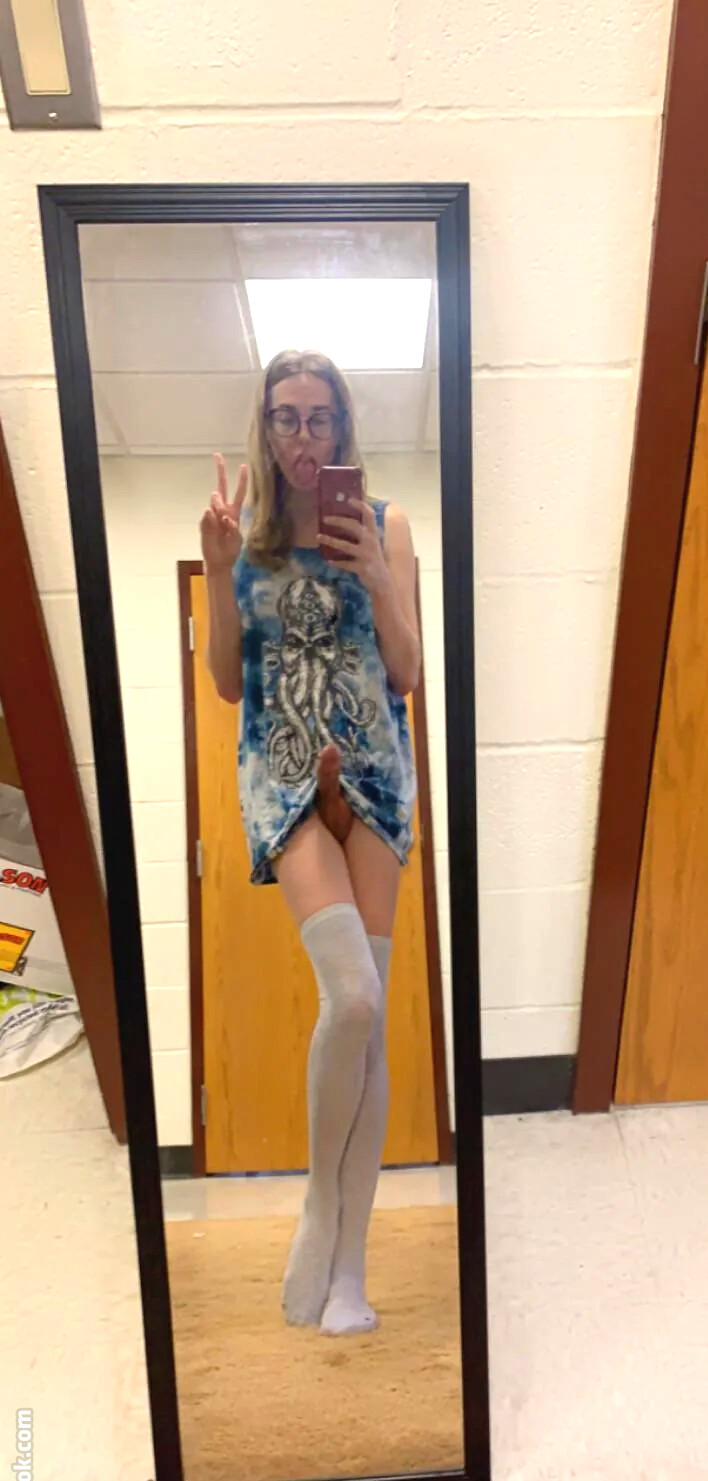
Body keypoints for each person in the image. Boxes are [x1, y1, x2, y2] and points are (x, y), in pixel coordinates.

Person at [199, 349, 421, 1336]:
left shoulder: (384, 524)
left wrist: (375, 573)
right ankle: (320, 1205)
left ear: (342, 426)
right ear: (264, 424)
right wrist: (217, 572)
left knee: (368, 1027)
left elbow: (406, 670)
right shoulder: (242, 537)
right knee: (354, 997)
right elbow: (227, 683)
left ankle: (350, 1272)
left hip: (372, 777)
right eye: (285, 417)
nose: (302, 436)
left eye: (320, 416)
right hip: (285, 777)